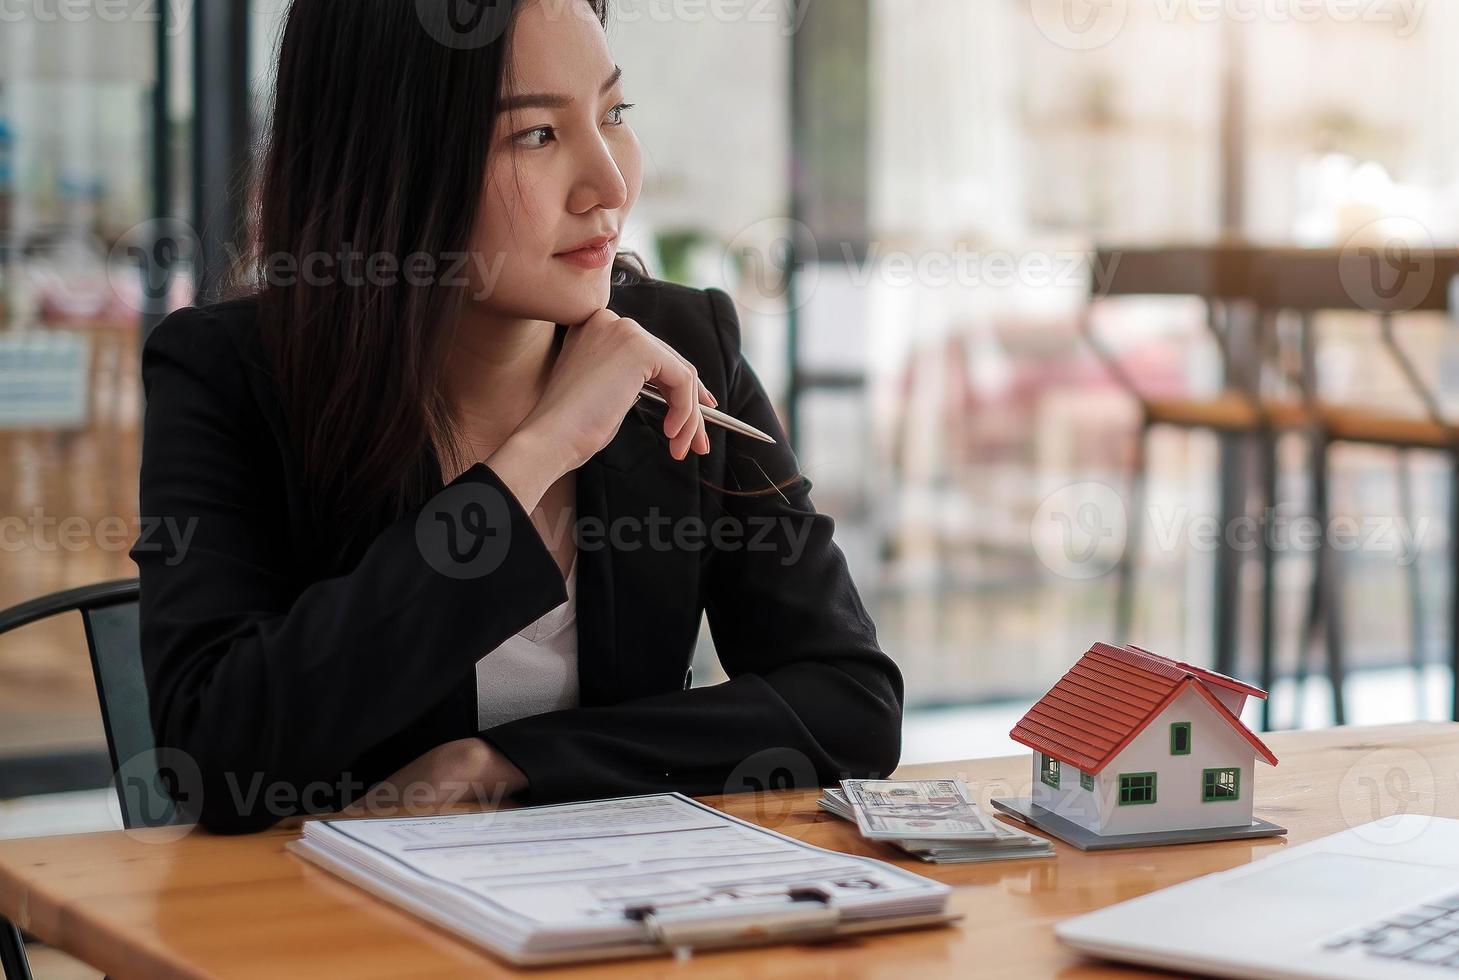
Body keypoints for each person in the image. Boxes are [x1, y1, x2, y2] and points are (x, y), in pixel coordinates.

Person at [133, 0, 902, 833]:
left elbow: (850, 702)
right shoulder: (228, 376)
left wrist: (513, 764)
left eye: (613, 114)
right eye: (535, 135)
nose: (609, 182)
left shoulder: (684, 347)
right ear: (390, 163)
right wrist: (537, 454)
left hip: (607, 926)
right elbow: (215, 754)